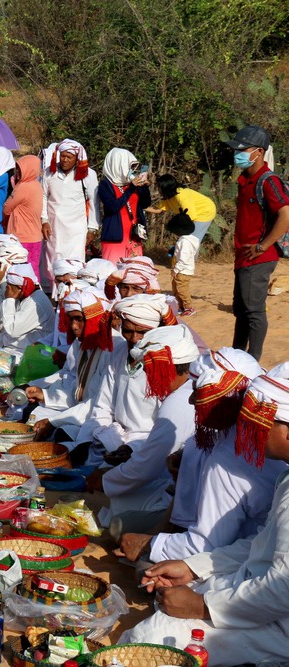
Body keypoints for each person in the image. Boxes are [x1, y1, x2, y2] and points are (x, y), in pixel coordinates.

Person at [123, 363, 289, 665]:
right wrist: (192, 567)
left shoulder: (233, 460)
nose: (248, 432)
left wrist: (202, 606)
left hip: (280, 624)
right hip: (255, 592)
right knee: (163, 607)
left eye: (259, 424)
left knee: (154, 640)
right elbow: (260, 543)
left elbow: (282, 589)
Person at [117, 348, 278, 564]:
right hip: (204, 526)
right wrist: (185, 458)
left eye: (199, 395)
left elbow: (206, 545)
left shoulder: (228, 461)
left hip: (235, 552)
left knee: (145, 570)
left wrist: (149, 544)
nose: (191, 401)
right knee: (120, 527)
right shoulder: (227, 429)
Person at [88, 325, 198, 532]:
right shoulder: (182, 392)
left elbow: (148, 466)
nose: (146, 374)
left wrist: (106, 480)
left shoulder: (178, 403)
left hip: (189, 498)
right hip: (172, 480)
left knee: (120, 525)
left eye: (149, 368)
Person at [73, 294, 175, 466]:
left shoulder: (167, 366)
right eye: (128, 331)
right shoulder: (120, 352)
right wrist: (88, 439)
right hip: (112, 437)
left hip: (145, 444)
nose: (134, 339)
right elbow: (103, 406)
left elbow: (165, 430)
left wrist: (132, 448)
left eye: (143, 332)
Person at [224, 125, 289, 361]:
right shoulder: (245, 179)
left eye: (242, 149)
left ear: (259, 152)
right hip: (244, 256)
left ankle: (252, 359)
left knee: (253, 311)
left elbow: (285, 214)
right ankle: (237, 355)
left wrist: (262, 246)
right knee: (241, 310)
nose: (237, 153)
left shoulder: (268, 180)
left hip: (258, 256)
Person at [28, 289, 126, 444]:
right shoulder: (83, 342)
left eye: (79, 319)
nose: (74, 327)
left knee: (60, 436)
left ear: (94, 319)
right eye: (71, 320)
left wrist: (53, 421)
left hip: (102, 419)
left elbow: (98, 402)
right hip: (81, 410)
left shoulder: (114, 347)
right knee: (31, 416)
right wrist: (44, 395)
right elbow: (77, 390)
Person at [41, 139, 100, 289]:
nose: (65, 160)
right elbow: (43, 196)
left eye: (69, 157)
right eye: (63, 156)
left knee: (73, 266)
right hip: (53, 228)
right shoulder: (49, 172)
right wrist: (44, 220)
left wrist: (92, 228)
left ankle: (71, 296)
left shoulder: (88, 175)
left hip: (76, 231)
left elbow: (94, 203)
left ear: (77, 158)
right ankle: (54, 298)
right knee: (52, 263)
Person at [0, 262, 55, 356]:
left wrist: (10, 299)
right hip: (10, 346)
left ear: (20, 287)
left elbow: (12, 330)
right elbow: (4, 320)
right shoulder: (23, 297)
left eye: (8, 286)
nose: (6, 290)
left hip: (25, 352)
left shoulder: (36, 302)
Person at [97, 147, 151, 263]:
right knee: (113, 275)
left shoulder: (132, 184)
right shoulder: (105, 185)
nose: (132, 171)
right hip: (115, 238)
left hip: (133, 236)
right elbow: (112, 207)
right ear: (119, 165)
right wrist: (131, 189)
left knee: (133, 274)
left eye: (133, 168)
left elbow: (145, 203)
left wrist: (144, 188)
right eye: (130, 167)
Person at [3, 155, 44, 277]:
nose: (17, 172)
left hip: (20, 237)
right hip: (35, 237)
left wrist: (5, 222)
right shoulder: (37, 185)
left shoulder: (23, 187)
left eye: (20, 169)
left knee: (17, 273)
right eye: (17, 169)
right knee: (32, 272)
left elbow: (7, 208)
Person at [146, 173, 216, 243]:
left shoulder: (182, 195)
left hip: (205, 212)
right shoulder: (168, 196)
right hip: (191, 215)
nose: (158, 189)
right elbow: (159, 210)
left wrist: (182, 231)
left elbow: (190, 216)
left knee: (192, 239)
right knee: (186, 239)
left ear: (166, 188)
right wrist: (142, 207)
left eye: (159, 187)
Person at [166, 210, 198, 316]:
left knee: (182, 289)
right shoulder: (185, 240)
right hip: (180, 269)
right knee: (176, 289)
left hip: (183, 270)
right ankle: (180, 306)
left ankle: (189, 307)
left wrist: (176, 269)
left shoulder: (185, 242)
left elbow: (184, 259)